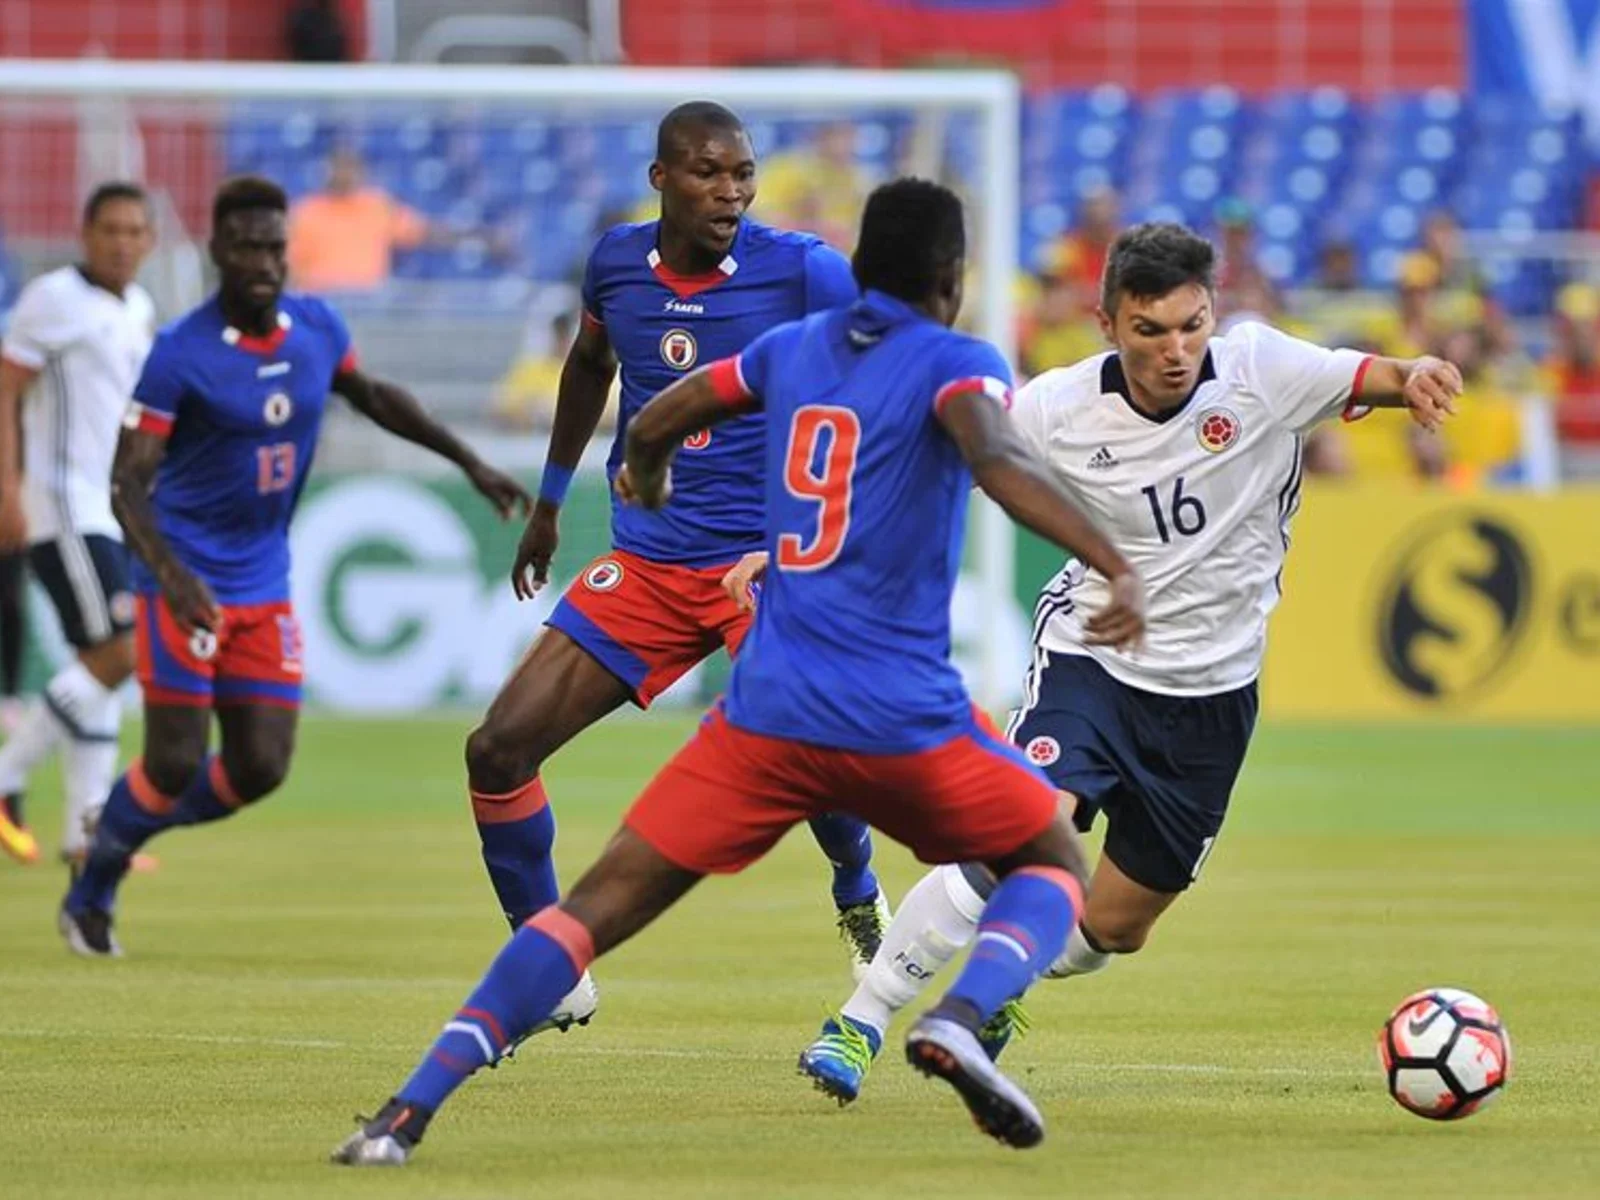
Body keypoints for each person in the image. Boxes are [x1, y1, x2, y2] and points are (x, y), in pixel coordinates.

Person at [331, 177, 1147, 1168]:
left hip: (767, 720)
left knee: (587, 912)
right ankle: (962, 1016)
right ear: (950, 277)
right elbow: (995, 457)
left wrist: (651, 470)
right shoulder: (957, 361)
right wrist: (1110, 561)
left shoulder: (786, 350)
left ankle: (404, 1114)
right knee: (1054, 861)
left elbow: (656, 416)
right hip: (899, 718)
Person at [791, 221, 1465, 1103]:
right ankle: (862, 1022)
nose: (1176, 350)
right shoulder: (1054, 408)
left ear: (1211, 314)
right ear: (1108, 324)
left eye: (1192, 325)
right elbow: (923, 465)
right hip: (1094, 660)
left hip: (1213, 698)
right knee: (1020, 833)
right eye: (1151, 331)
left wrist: (1413, 376)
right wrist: (804, 550)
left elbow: (1369, 374)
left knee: (1114, 926)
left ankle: (1005, 983)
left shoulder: (1262, 370)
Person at [461, 101, 886, 1038]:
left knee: (807, 750)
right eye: (706, 172)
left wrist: (815, 531)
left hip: (761, 563)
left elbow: (889, 372)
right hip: (650, 562)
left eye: (742, 173)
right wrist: (546, 501)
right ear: (662, 179)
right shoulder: (616, 262)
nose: (729, 191)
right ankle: (549, 962)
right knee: (496, 749)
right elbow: (587, 365)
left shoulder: (805, 268)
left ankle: (856, 888)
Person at [57, 176, 529, 958]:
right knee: (172, 760)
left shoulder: (316, 327)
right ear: (216, 252)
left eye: (275, 246)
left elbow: (374, 395)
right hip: (185, 580)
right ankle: (95, 887)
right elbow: (124, 484)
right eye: (247, 247)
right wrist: (172, 579)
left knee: (261, 767)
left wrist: (472, 462)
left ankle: (114, 820)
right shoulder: (181, 353)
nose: (264, 261)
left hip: (261, 580)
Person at [0, 183, 156, 870]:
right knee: (121, 652)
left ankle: (87, 834)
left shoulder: (140, 307)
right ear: (85, 234)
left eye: (133, 231)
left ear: (149, 241)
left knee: (100, 665)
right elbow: (6, 389)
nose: (121, 242)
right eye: (109, 230)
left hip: (112, 508)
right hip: (63, 504)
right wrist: (7, 487)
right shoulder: (54, 300)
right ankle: (6, 778)